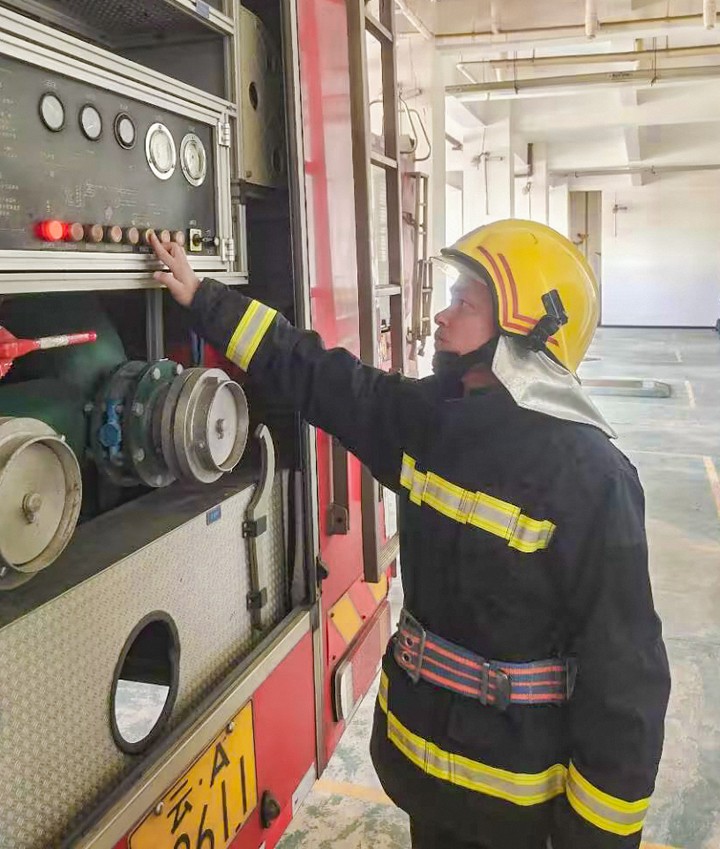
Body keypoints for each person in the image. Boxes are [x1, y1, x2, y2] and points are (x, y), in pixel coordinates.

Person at [150, 220, 671, 849]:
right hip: (423, 779)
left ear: (529, 332)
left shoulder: (591, 477)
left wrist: (598, 838)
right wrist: (203, 296)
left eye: (464, 303)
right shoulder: (431, 421)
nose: (443, 318)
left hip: (517, 808)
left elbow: (625, 675)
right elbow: (316, 373)